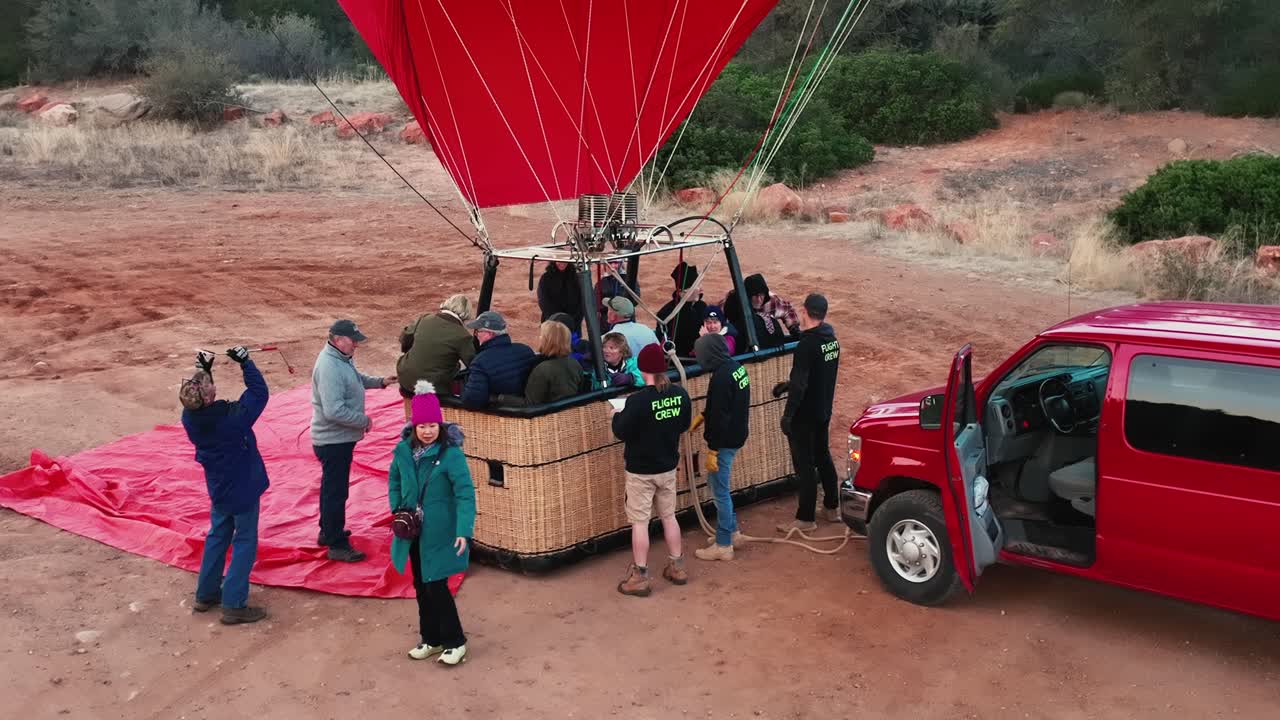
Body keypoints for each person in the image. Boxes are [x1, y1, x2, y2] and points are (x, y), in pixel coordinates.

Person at [388, 381, 476, 666]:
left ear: (440, 425)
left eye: (432, 425)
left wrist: (463, 530)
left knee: (436, 585)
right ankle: (431, 638)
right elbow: (395, 480)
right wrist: (398, 508)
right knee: (420, 584)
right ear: (414, 426)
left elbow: (465, 494)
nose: (427, 431)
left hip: (439, 531)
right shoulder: (403, 451)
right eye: (422, 425)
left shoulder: (451, 455)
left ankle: (455, 641)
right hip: (412, 531)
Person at [180, 347, 270, 625]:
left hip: (219, 487)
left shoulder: (191, 417)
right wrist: (246, 362)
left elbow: (199, 395)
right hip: (242, 486)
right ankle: (234, 603)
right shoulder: (232, 419)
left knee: (218, 535)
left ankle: (206, 594)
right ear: (210, 396)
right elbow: (259, 393)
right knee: (244, 541)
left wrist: (203, 369)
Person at [610, 343, 692, 596]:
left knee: (640, 522)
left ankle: (640, 576)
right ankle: (677, 566)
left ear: (642, 368)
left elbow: (620, 432)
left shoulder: (637, 402)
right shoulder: (680, 394)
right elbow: (684, 425)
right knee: (669, 516)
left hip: (640, 470)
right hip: (667, 466)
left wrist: (616, 413)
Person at [311, 319, 396, 562]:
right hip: (333, 441)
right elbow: (334, 410)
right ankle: (336, 544)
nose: (356, 343)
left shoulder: (339, 358)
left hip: (336, 440)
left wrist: (379, 382)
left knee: (332, 490)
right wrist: (363, 420)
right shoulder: (330, 367)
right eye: (353, 339)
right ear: (337, 339)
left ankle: (328, 532)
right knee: (336, 493)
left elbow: (355, 378)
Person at [774, 294, 841, 533]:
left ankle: (805, 518)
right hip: (823, 408)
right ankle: (832, 506)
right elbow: (816, 376)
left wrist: (788, 415)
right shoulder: (831, 340)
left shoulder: (807, 345)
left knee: (804, 465)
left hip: (804, 414)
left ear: (805, 311)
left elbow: (801, 384)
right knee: (823, 456)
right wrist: (788, 384)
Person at [691, 334, 749, 562]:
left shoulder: (722, 377)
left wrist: (713, 449)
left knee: (720, 490)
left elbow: (721, 416)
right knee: (719, 486)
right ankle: (732, 532)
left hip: (724, 441)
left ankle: (724, 544)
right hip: (736, 434)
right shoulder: (736, 368)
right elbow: (728, 404)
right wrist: (705, 415)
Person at [396, 294, 477, 416]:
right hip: (434, 387)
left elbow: (405, 339)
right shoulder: (463, 336)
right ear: (465, 314)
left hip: (405, 377)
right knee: (460, 374)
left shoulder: (424, 318)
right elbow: (474, 363)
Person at [459, 310, 537, 409]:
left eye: (478, 331)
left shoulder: (480, 362)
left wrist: (464, 386)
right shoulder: (525, 350)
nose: (476, 335)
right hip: (525, 411)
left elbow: (472, 401)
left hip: (500, 418)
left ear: (490, 334)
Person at [523, 320, 586, 405]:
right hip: (571, 410)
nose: (539, 337)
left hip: (549, 415)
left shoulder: (542, 369)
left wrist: (503, 398)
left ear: (547, 341)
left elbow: (531, 404)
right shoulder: (574, 363)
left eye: (542, 335)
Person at [655, 261, 706, 358]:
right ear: (682, 292)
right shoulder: (666, 314)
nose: (701, 289)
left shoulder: (702, 306)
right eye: (697, 286)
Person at [536, 261, 584, 332]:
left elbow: (582, 301)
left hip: (573, 324)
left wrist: (573, 320)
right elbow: (543, 301)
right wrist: (556, 319)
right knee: (552, 342)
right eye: (559, 261)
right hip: (552, 322)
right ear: (554, 261)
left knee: (574, 342)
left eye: (565, 261)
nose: (562, 263)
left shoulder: (576, 277)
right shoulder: (545, 278)